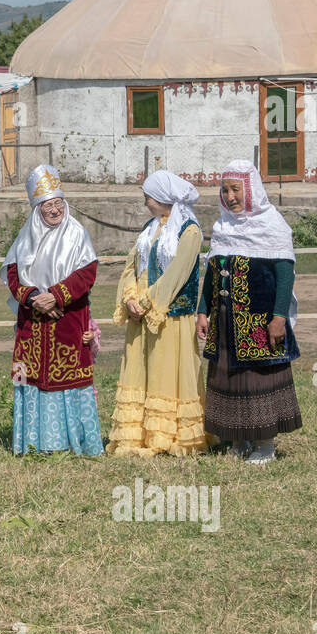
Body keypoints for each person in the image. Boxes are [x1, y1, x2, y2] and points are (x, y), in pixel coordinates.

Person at [196, 160, 302, 464]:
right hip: (226, 321)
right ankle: (239, 438)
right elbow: (212, 274)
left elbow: (285, 275)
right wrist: (203, 312)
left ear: (251, 189)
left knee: (258, 379)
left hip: (260, 321)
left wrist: (279, 317)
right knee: (229, 378)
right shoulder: (222, 227)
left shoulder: (272, 226)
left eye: (235, 190)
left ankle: (265, 443)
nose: (229, 197)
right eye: (225, 190)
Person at [107, 171, 211, 458]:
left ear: (164, 199)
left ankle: (169, 434)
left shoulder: (189, 231)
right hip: (140, 313)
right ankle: (141, 433)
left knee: (167, 372)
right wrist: (129, 297)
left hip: (169, 315)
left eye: (148, 198)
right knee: (141, 371)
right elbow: (132, 265)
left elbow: (176, 274)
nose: (145, 203)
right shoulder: (149, 228)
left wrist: (146, 302)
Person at [2, 164, 104, 456]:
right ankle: (34, 443)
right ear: (38, 208)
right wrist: (33, 297)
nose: (55, 209)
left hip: (67, 321)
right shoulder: (25, 238)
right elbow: (12, 274)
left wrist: (56, 296)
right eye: (49, 204)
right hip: (31, 325)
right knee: (29, 379)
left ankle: (70, 443)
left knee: (69, 381)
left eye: (59, 203)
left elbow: (87, 273)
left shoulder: (77, 234)